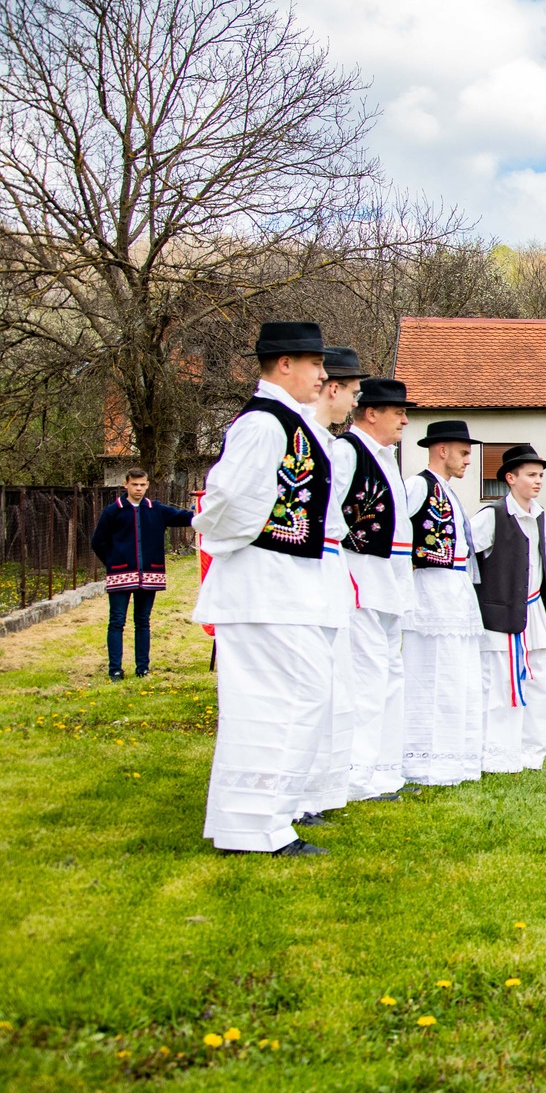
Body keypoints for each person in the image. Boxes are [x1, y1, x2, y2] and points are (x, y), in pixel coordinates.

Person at [191, 321, 340, 856]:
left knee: (298, 698)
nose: (322, 375)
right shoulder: (263, 423)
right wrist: (242, 540)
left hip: (286, 588)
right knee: (270, 704)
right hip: (262, 586)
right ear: (285, 364)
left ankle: (270, 817)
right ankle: (252, 828)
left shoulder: (290, 422)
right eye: (315, 364)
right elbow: (226, 499)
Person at [336, 375, 416, 803]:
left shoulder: (385, 457)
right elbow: (331, 518)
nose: (404, 419)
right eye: (397, 411)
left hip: (390, 581)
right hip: (361, 579)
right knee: (366, 680)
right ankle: (355, 775)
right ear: (371, 413)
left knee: (388, 678)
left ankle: (384, 771)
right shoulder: (347, 451)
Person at [297, 346, 365, 826]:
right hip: (308, 567)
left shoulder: (325, 441)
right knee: (307, 685)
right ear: (332, 388)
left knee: (329, 685)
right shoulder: (325, 446)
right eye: (354, 392)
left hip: (328, 564)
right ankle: (299, 794)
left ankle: (316, 787)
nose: (355, 404)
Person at [401, 420, 487, 787]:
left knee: (456, 671)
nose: (468, 460)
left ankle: (456, 754)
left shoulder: (448, 490)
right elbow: (396, 530)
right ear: (442, 450)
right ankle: (424, 756)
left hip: (455, 585)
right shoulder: (419, 485)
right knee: (431, 668)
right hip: (431, 584)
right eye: (464, 453)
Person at [473, 444, 546, 773]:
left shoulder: (538, 517)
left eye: (541, 475)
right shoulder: (491, 517)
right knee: (501, 685)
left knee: (540, 680)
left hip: (533, 610)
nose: (538, 481)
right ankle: (497, 754)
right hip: (501, 613)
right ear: (511, 478)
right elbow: (465, 557)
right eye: (531, 475)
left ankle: (531, 752)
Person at [90, 467, 194, 681]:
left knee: (143, 621)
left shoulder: (155, 510)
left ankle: (142, 668)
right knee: (117, 621)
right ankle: (115, 670)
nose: (138, 489)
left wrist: (202, 509)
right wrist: (113, 563)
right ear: (126, 484)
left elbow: (185, 517)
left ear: (147, 485)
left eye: (142, 485)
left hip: (149, 574)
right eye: (134, 484)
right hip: (120, 575)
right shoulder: (113, 511)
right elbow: (98, 541)